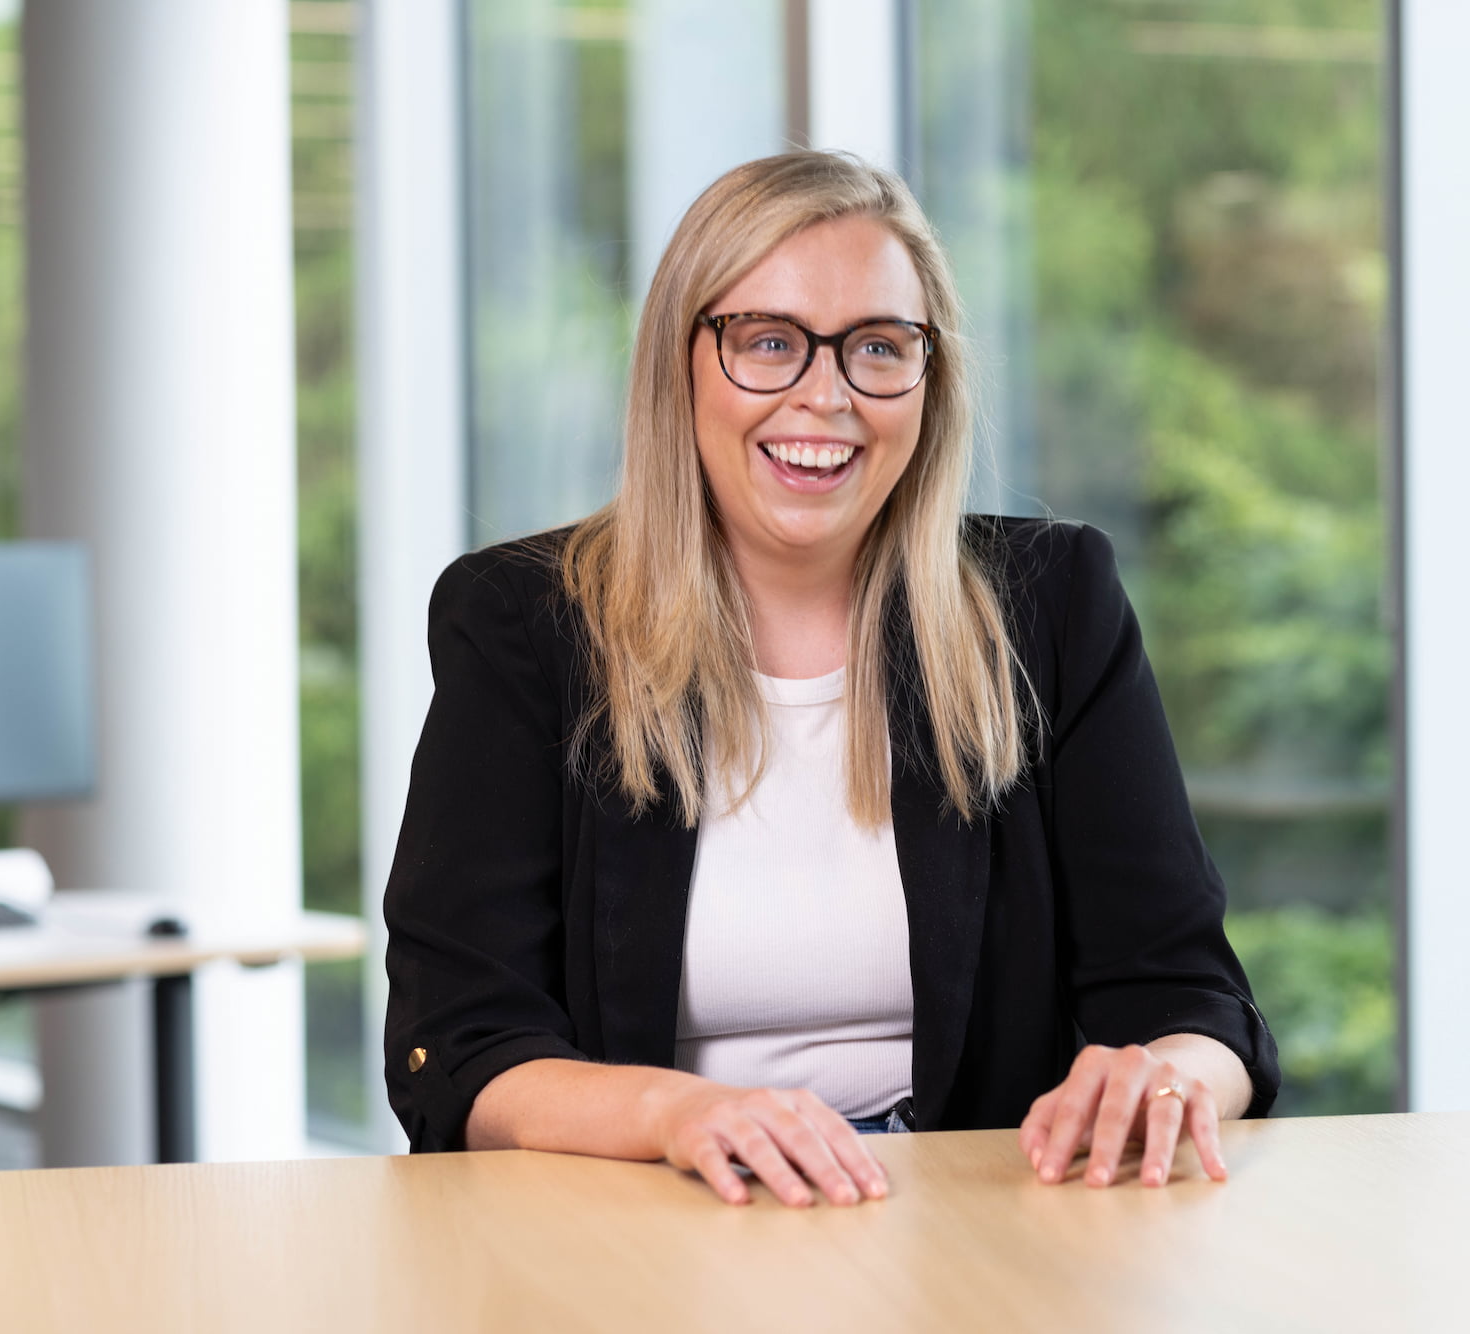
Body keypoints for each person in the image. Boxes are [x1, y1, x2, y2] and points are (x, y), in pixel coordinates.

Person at [383, 151, 1278, 1208]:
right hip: (642, 1206)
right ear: (680, 365)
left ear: (927, 376)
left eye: (876, 348)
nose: (826, 395)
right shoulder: (525, 623)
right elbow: (461, 1041)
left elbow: (1191, 999)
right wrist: (676, 1112)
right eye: (767, 342)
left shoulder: (1049, 604)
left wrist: (1168, 1076)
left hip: (970, 1216)